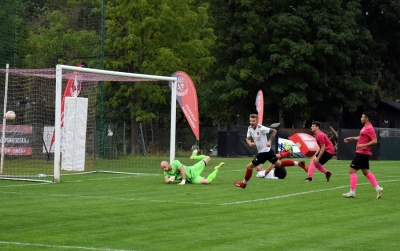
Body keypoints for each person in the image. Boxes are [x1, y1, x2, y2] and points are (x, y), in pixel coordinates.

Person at [233, 114, 308, 188]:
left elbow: (274, 131)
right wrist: (250, 143)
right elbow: (247, 138)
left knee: (249, 167)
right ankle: (299, 164)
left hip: (264, 152)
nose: (251, 122)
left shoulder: (261, 128)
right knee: (279, 164)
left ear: (257, 121)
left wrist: (269, 141)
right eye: (250, 121)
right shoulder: (250, 128)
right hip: (266, 151)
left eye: (253, 121)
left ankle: (244, 184)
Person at [342, 112, 383, 199]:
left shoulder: (370, 128)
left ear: (367, 118)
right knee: (366, 171)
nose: (361, 118)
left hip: (363, 152)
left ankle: (352, 192)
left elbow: (375, 141)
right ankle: (378, 188)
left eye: (362, 117)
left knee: (352, 170)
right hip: (363, 152)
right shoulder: (365, 128)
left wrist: (363, 145)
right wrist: (352, 138)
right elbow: (362, 137)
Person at [160, 156, 224, 185]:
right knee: (207, 182)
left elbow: (182, 170)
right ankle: (217, 169)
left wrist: (183, 181)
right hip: (191, 180)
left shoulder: (175, 163)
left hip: (193, 170)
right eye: (162, 168)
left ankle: (194, 157)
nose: (164, 169)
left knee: (208, 158)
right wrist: (169, 180)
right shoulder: (166, 173)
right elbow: (166, 180)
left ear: (168, 164)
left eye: (164, 167)